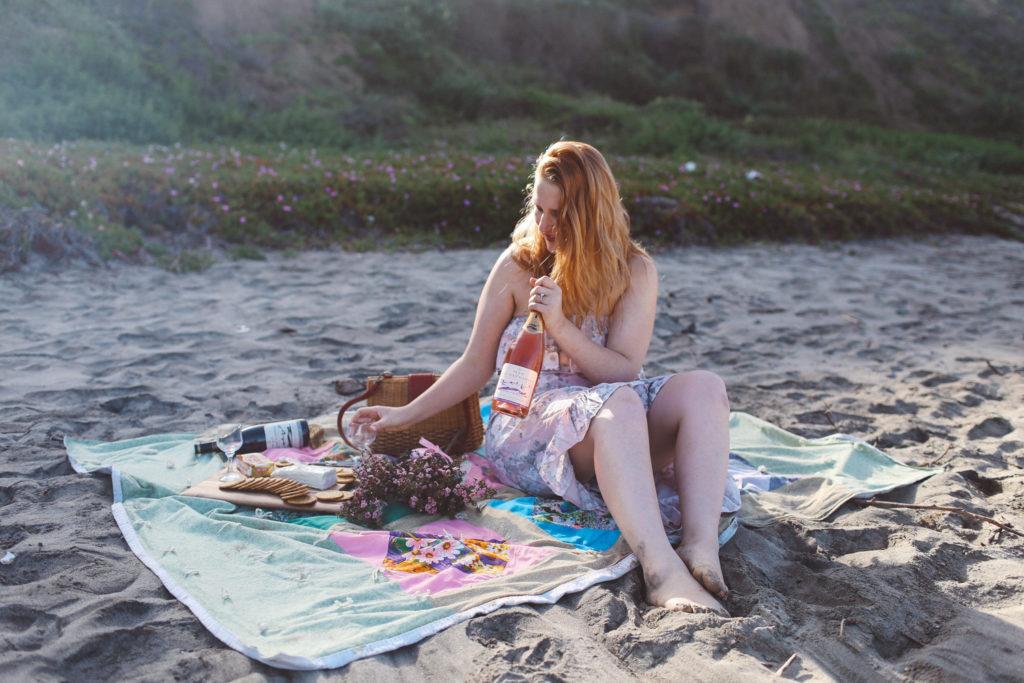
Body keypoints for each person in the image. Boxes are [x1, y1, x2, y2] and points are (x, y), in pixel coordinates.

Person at [351, 140, 737, 616]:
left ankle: (701, 547)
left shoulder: (634, 269)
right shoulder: (518, 266)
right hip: (531, 424)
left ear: (592, 214)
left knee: (704, 387)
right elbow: (476, 364)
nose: (546, 225)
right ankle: (661, 571)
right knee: (619, 404)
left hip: (611, 409)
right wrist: (404, 415)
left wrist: (560, 327)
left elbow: (623, 369)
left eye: (561, 215)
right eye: (539, 209)